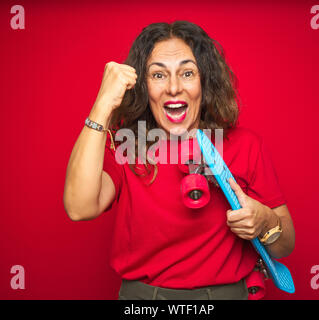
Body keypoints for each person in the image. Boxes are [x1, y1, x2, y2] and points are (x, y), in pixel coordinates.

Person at [63, 21, 295, 300]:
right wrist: (103, 104)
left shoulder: (245, 144)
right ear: (143, 86)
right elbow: (79, 208)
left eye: (187, 73)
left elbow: (284, 246)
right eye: (158, 75)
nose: (173, 88)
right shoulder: (127, 144)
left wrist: (265, 220)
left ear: (204, 81)